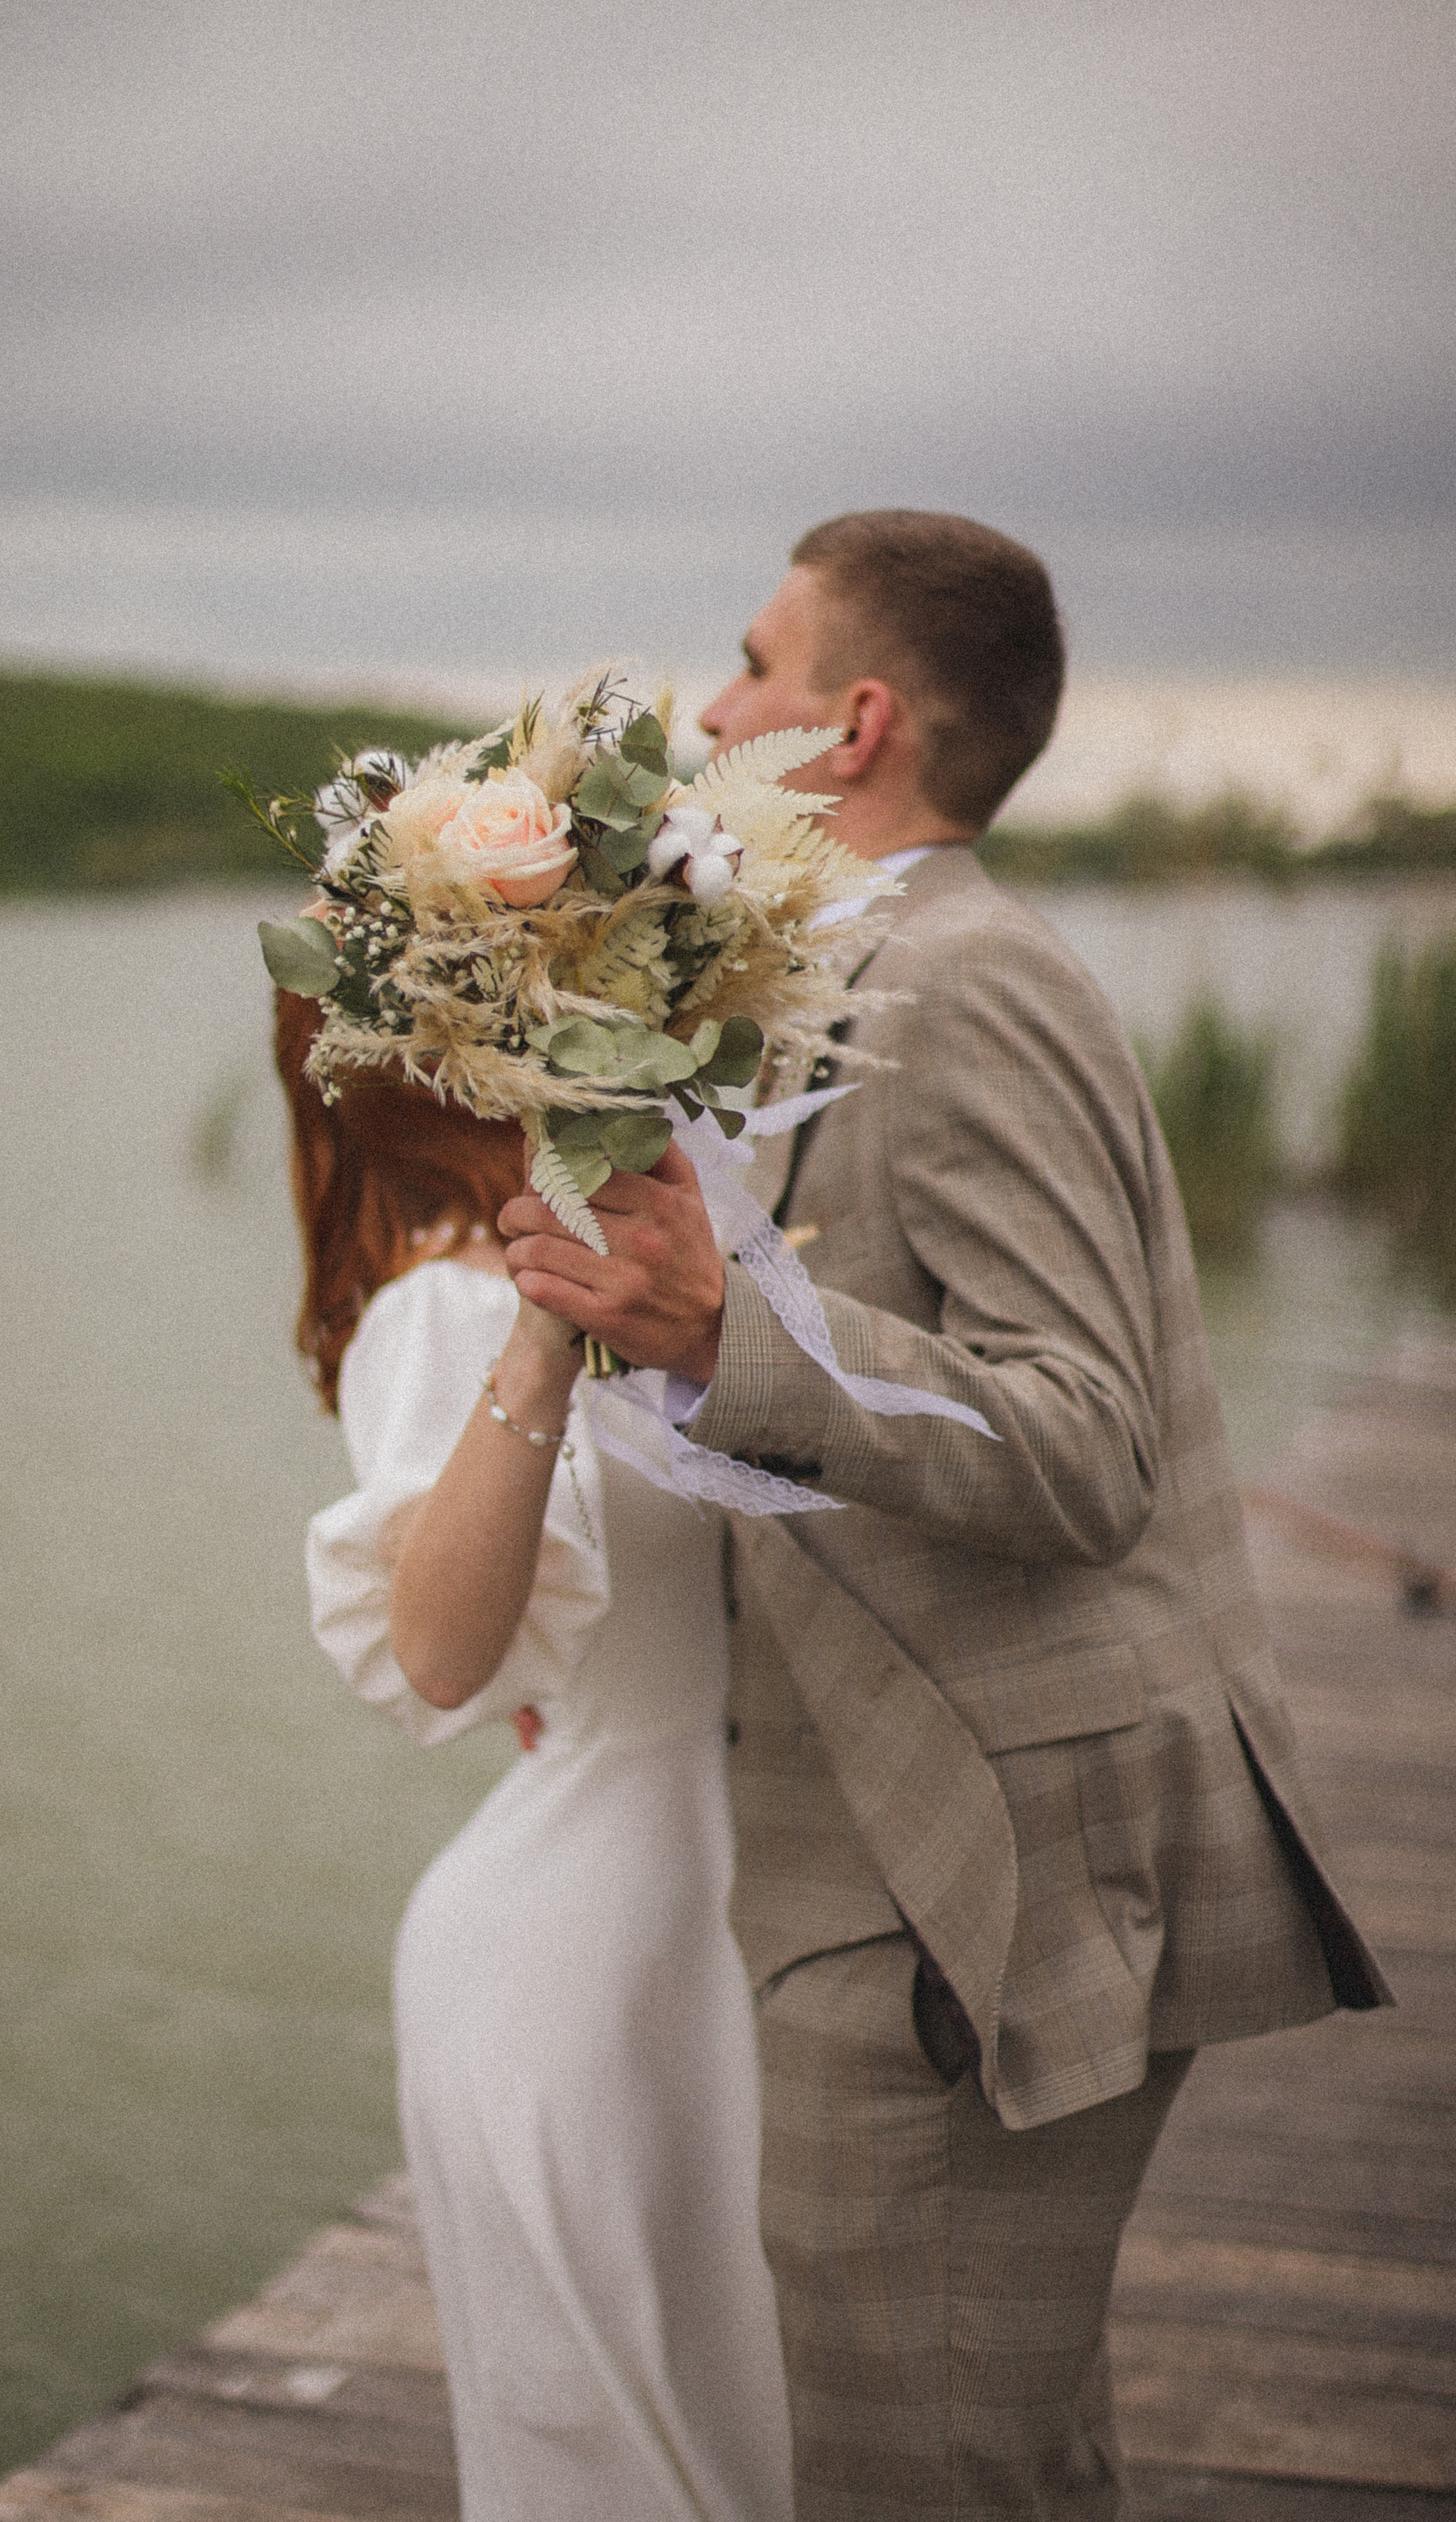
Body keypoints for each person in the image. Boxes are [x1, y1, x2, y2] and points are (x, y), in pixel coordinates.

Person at [497, 510, 1390, 2520]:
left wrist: (728, 1328)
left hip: (977, 1874)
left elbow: (1088, 1447)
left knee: (933, 2475)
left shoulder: (963, 980)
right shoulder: (840, 978)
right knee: (993, 2461)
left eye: (749, 669)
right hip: (892, 1835)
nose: (712, 714)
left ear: (854, 722)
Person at [275, 988, 793, 2522]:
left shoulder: (685, 1244)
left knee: (740, 2431)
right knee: (615, 2458)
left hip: (733, 1913)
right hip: (580, 1953)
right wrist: (539, 1339)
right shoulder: (445, 1308)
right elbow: (443, 1656)